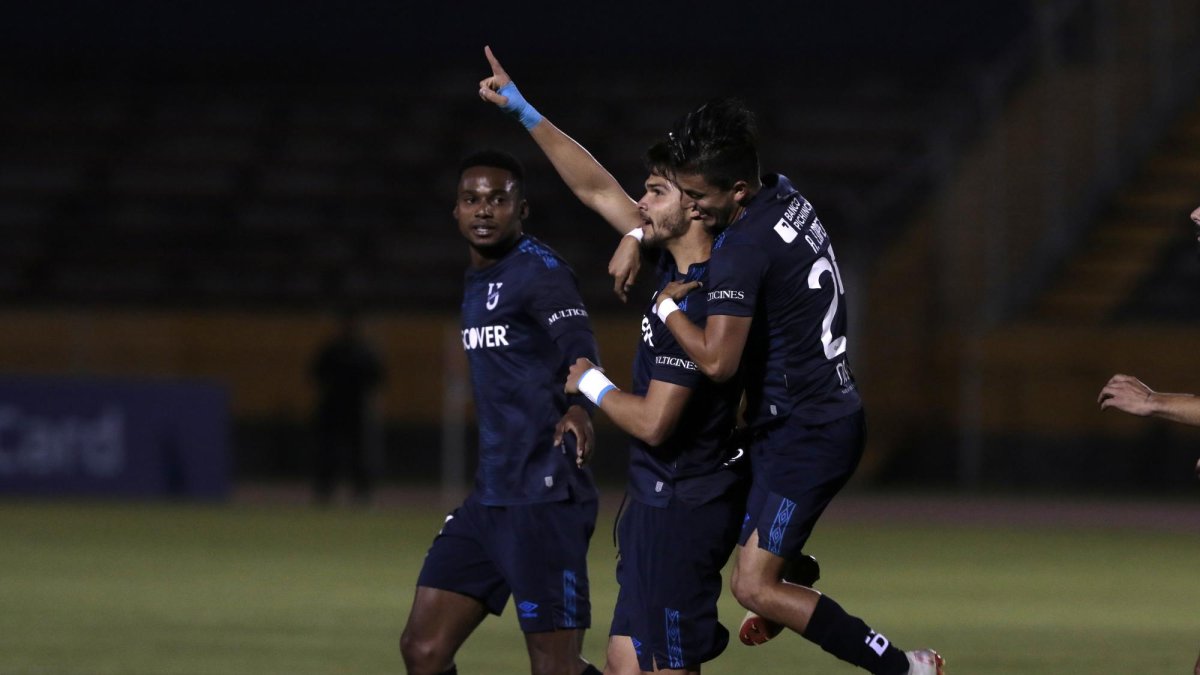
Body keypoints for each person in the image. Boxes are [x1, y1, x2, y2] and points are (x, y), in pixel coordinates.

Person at [614, 98, 944, 674]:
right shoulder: (788, 196)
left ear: (738, 189)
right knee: (742, 523)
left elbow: (717, 363)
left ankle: (903, 667)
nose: (691, 209)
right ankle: (786, 565)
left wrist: (667, 311)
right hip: (801, 417)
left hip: (807, 432)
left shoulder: (741, 251)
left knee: (752, 588)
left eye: (698, 198)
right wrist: (638, 237)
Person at [478, 46, 755, 675]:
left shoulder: (705, 295)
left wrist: (590, 383)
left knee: (662, 668)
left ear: (691, 204)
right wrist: (523, 110)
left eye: (654, 193)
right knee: (627, 661)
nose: (639, 203)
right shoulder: (666, 260)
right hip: (653, 499)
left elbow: (657, 422)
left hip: (686, 506)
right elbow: (592, 185)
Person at [399, 149, 603, 675]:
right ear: (456, 211)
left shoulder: (541, 272)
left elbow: (577, 339)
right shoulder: (478, 279)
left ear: (523, 209)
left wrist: (580, 406)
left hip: (544, 497)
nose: (483, 211)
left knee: (555, 667)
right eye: (472, 200)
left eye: (497, 200)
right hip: (490, 499)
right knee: (423, 649)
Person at [309, 309, 385, 505]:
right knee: (329, 451)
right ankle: (325, 491)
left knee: (358, 453)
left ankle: (360, 492)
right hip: (334, 407)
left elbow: (377, 377)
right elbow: (316, 374)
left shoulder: (363, 352)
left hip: (355, 408)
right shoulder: (333, 350)